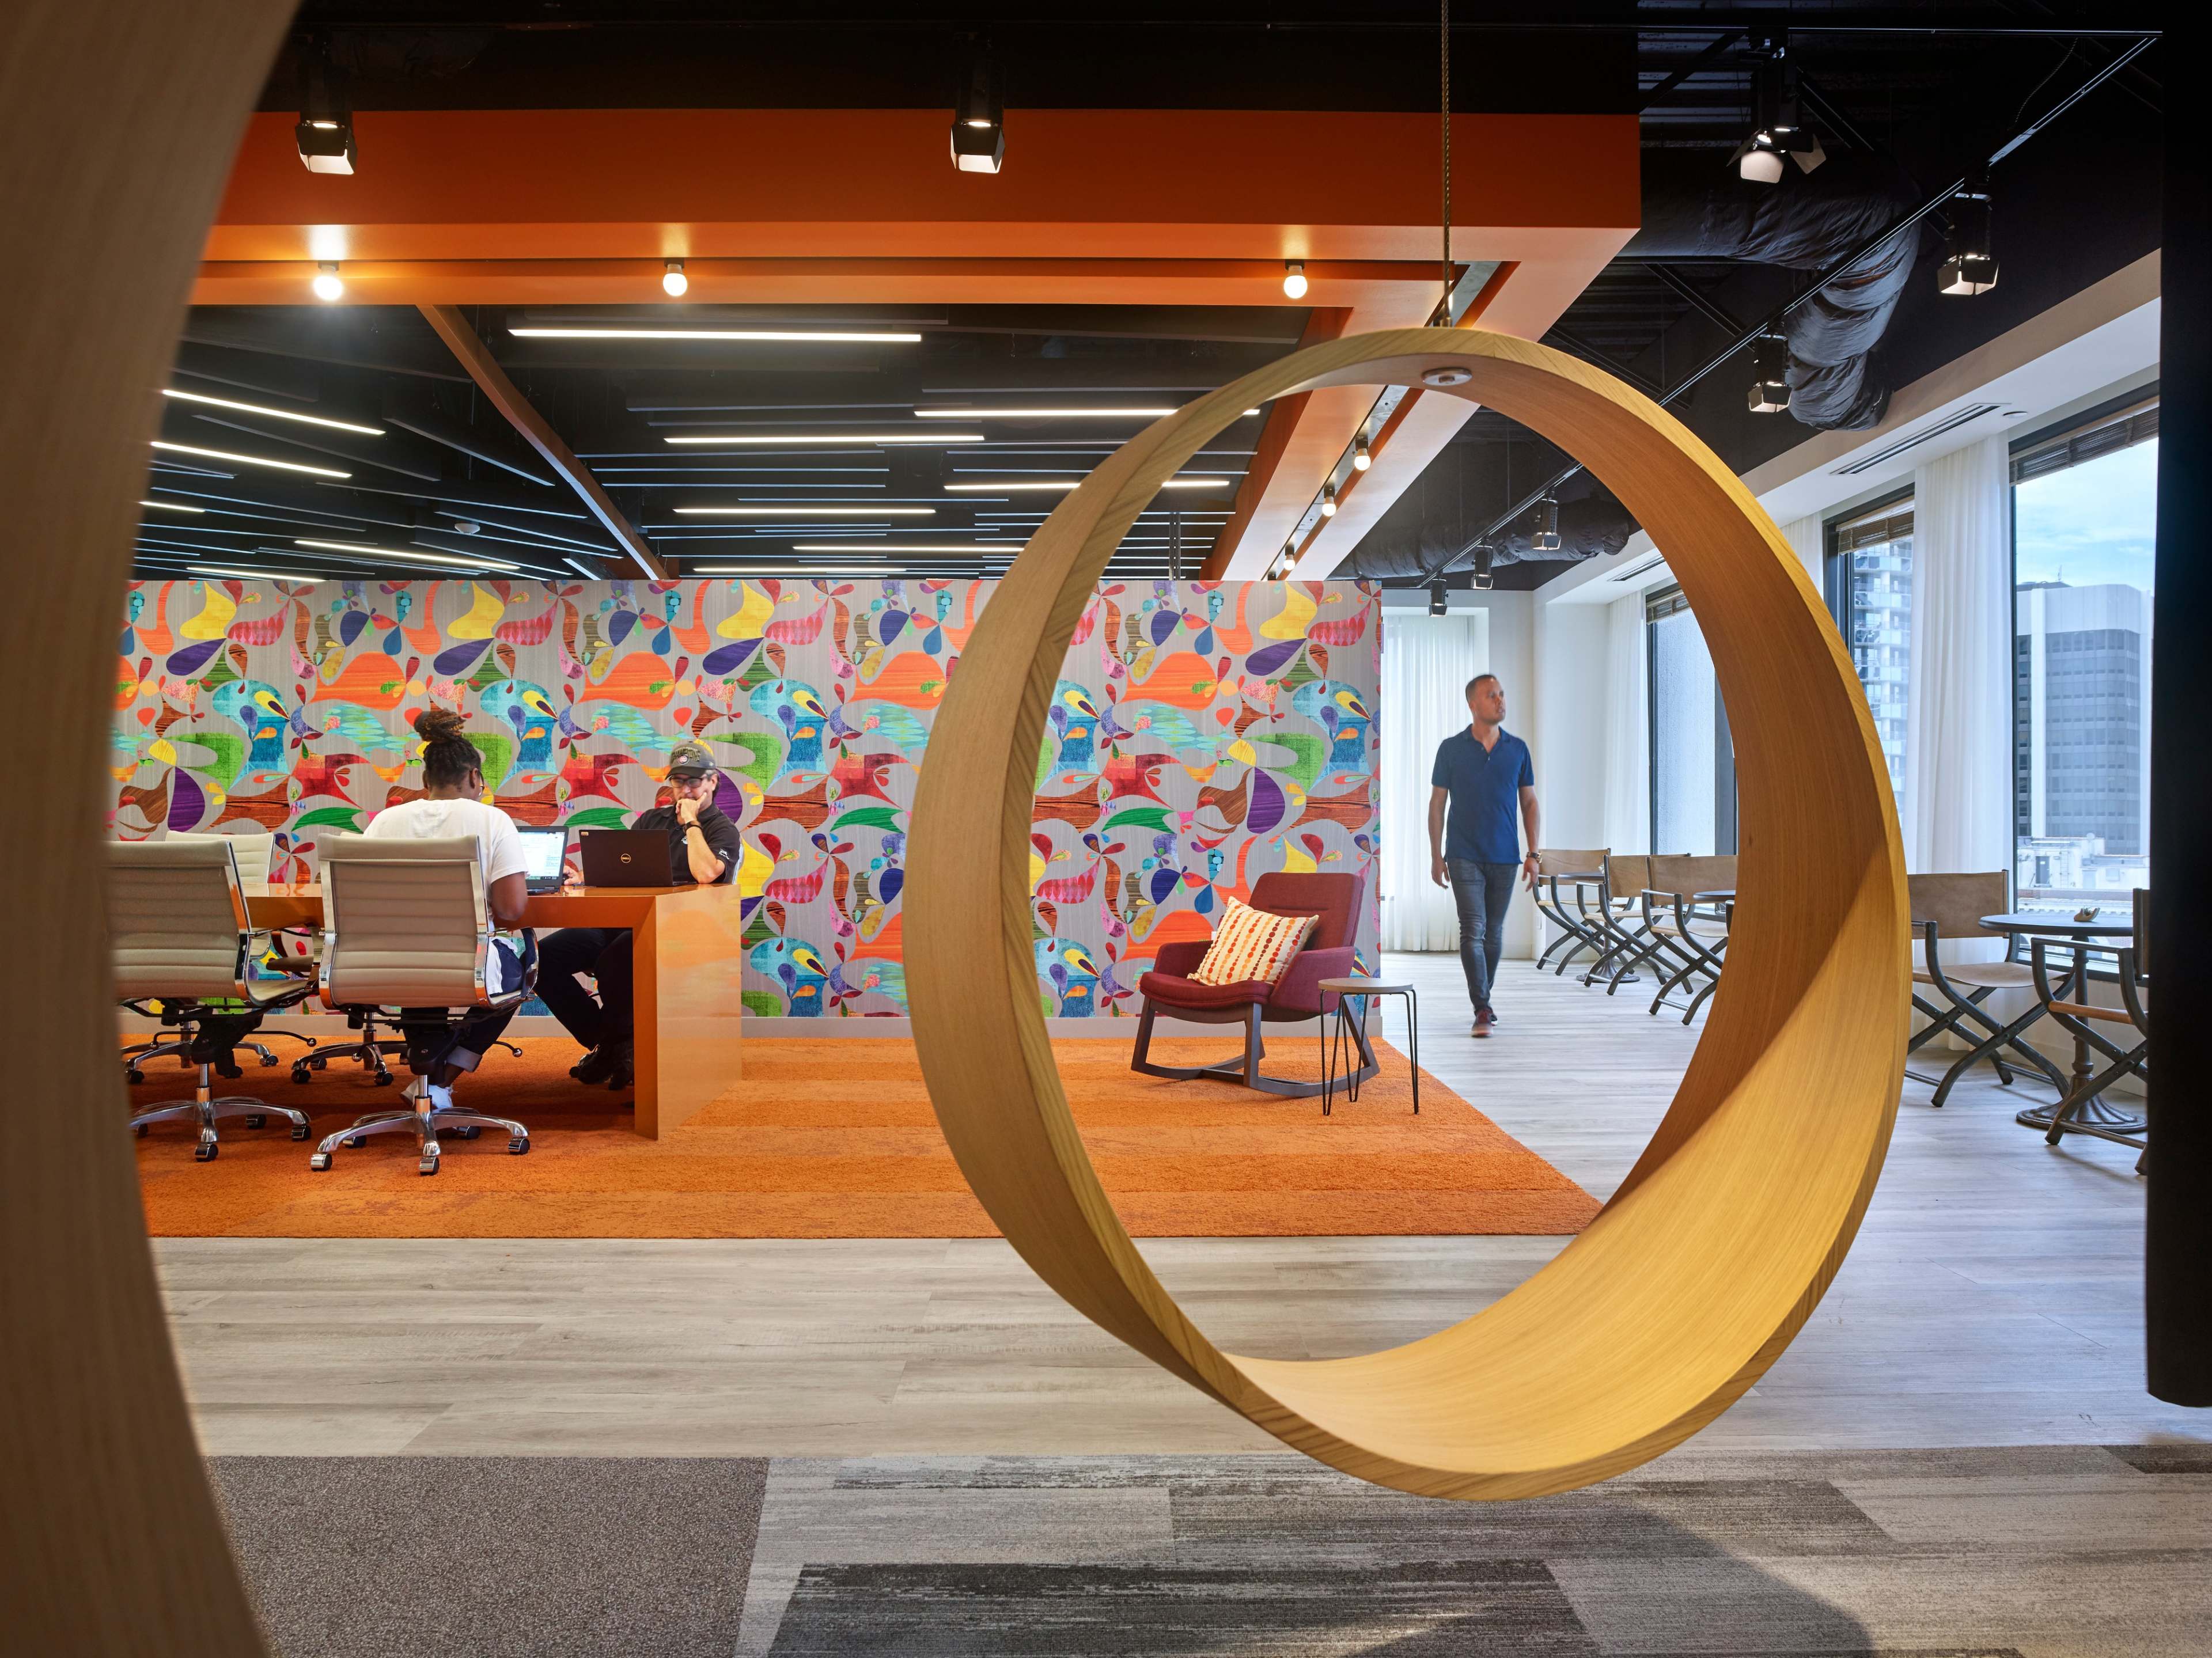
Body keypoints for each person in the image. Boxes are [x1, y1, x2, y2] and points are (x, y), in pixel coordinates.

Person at [539, 740, 743, 1089]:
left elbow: (707, 874)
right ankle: (612, 1043)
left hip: (676, 928)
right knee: (542, 960)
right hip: (626, 919)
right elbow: (626, 867)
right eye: (679, 782)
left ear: (713, 782)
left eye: (695, 781)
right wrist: (587, 877)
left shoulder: (721, 829)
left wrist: (691, 823)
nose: (686, 789)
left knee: (616, 961)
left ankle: (616, 1048)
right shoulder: (652, 819)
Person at [361, 708, 530, 1106]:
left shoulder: (384, 822)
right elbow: (512, 908)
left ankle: (432, 1080)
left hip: (385, 961)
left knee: (419, 976)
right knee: (525, 972)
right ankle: (444, 1074)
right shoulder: (492, 820)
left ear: (425, 780)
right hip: (464, 959)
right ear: (474, 777)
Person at [1427, 673, 1540, 1038]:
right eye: (1492, 696)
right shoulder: (1451, 749)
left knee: (1494, 933)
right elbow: (1437, 804)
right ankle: (1482, 1007)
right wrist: (1435, 855)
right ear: (1473, 704)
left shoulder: (1517, 750)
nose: (1501, 701)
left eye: (1502, 695)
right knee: (1472, 929)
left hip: (1506, 856)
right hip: (1463, 854)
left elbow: (1529, 802)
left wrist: (1533, 853)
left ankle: (1483, 1000)